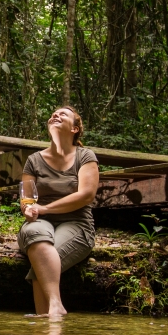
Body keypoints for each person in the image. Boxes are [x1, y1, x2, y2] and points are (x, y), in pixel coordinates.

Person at [18, 106, 100, 318]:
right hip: (40, 221)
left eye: (63, 114)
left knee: (41, 267)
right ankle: (54, 316)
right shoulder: (34, 160)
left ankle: (50, 318)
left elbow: (86, 195)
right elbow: (26, 199)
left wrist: (44, 208)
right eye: (53, 114)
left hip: (77, 223)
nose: (55, 115)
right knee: (35, 233)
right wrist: (28, 211)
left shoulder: (85, 156)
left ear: (74, 129)